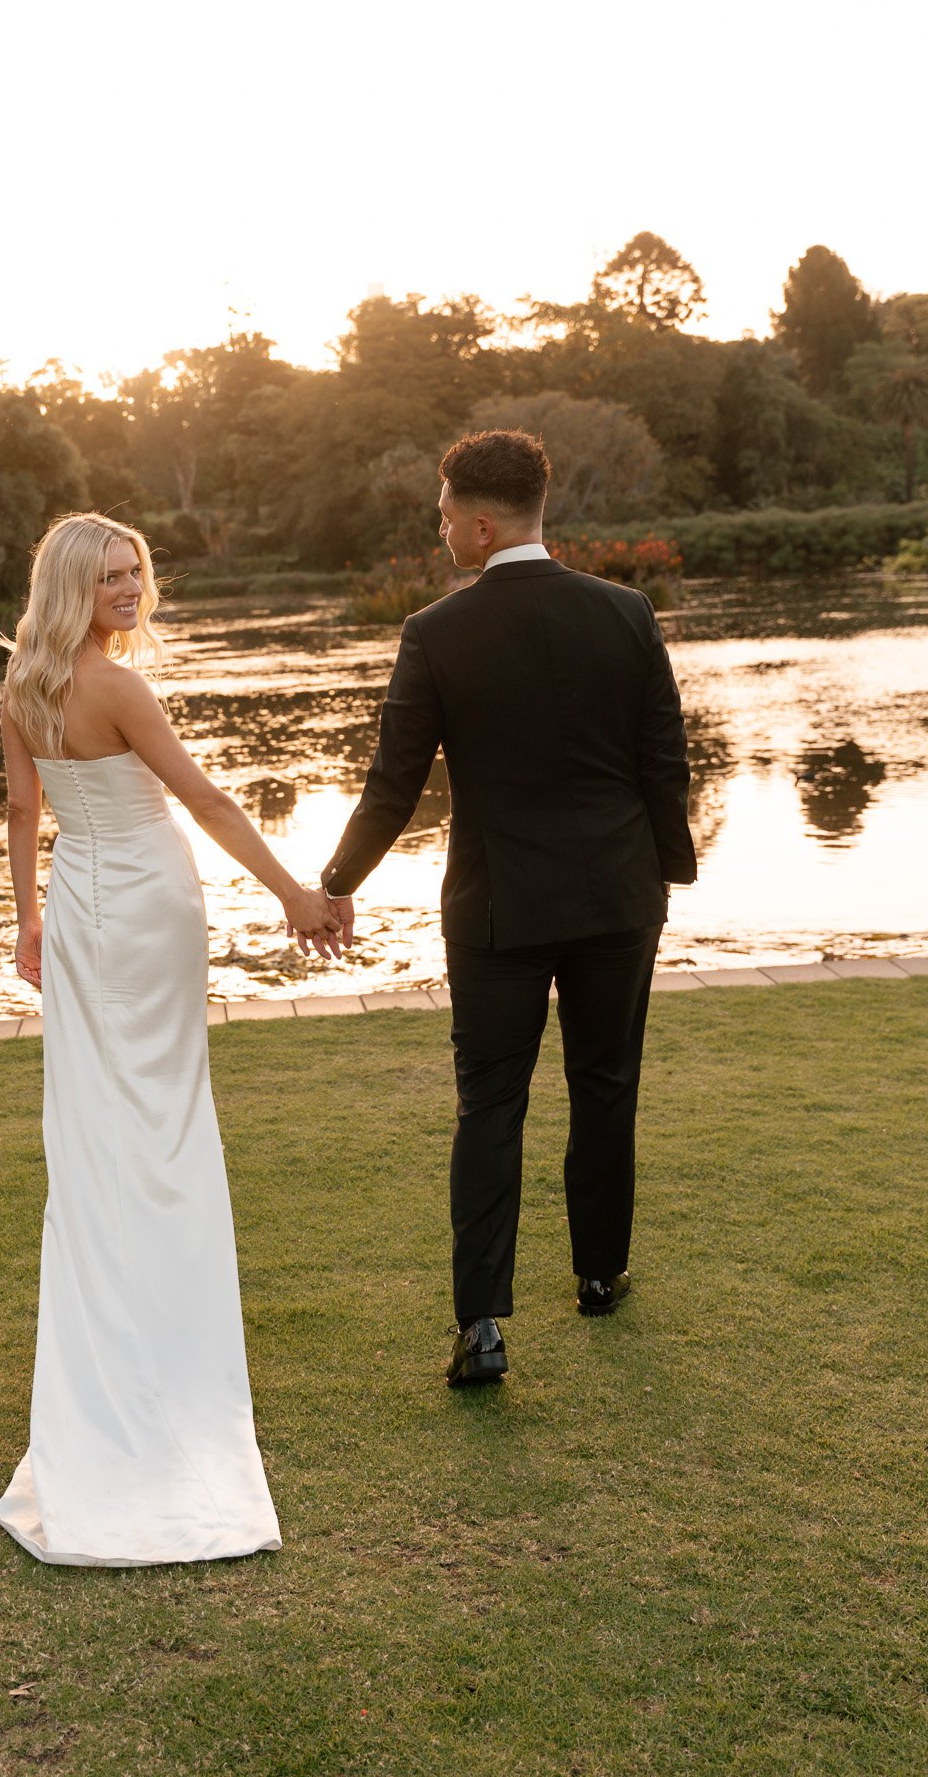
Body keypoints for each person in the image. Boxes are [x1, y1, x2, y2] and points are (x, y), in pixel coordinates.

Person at [0, 511, 341, 1566]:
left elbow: (22, 809)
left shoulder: (19, 684)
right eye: (109, 578)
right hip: (145, 900)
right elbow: (200, 797)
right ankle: (169, 1371)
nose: (132, 590)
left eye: (136, 571)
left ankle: (120, 1354)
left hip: (83, 912)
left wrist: (27, 919)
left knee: (103, 1131)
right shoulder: (120, 687)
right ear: (71, 586)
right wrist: (295, 893)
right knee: (166, 1128)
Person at [318, 430, 696, 1387]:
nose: (439, 528)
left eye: (444, 514)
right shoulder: (626, 613)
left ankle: (481, 1326)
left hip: (496, 912)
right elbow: (663, 763)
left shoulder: (434, 634)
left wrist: (333, 884)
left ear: (481, 524)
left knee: (490, 1101)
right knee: (606, 1082)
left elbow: (392, 787)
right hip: (617, 898)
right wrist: (665, 874)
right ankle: (601, 1276)